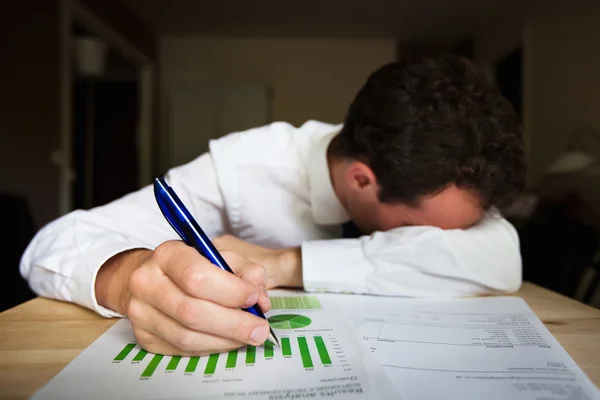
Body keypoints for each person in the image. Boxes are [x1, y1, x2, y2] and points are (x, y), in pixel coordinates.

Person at [21, 54, 525, 356]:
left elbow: (502, 257)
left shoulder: (444, 171)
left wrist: (286, 263)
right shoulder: (243, 167)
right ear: (362, 180)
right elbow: (52, 243)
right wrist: (128, 278)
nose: (441, 240)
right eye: (430, 232)